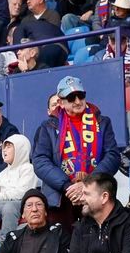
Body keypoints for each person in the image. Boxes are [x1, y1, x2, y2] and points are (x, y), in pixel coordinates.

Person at [33, 75, 123, 210]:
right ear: (61, 102)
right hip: (61, 197)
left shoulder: (102, 122)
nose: (77, 101)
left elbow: (113, 155)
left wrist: (89, 183)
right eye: (71, 97)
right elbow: (40, 161)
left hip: (97, 194)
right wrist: (67, 186)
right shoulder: (47, 126)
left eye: (80, 95)